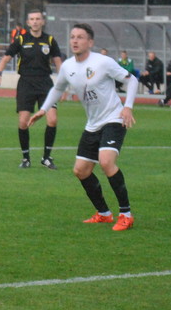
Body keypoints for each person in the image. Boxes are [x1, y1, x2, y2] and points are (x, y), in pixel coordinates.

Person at [28, 23, 138, 232]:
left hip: (114, 118)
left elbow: (131, 79)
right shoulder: (68, 67)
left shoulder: (103, 62)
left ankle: (126, 214)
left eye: (80, 37)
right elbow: (57, 88)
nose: (75, 41)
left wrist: (128, 107)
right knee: (80, 171)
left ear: (90, 42)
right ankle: (104, 214)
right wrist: (43, 109)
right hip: (92, 124)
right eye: (72, 37)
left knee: (106, 162)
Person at [0, 9, 63, 169]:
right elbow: (6, 57)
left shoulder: (50, 40)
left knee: (52, 120)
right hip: (26, 83)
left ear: (43, 21)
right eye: (32, 19)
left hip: (46, 83)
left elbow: (58, 61)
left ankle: (46, 158)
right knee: (23, 122)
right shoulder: (21, 39)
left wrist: (63, 81)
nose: (35, 21)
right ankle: (26, 158)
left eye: (38, 19)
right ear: (28, 22)